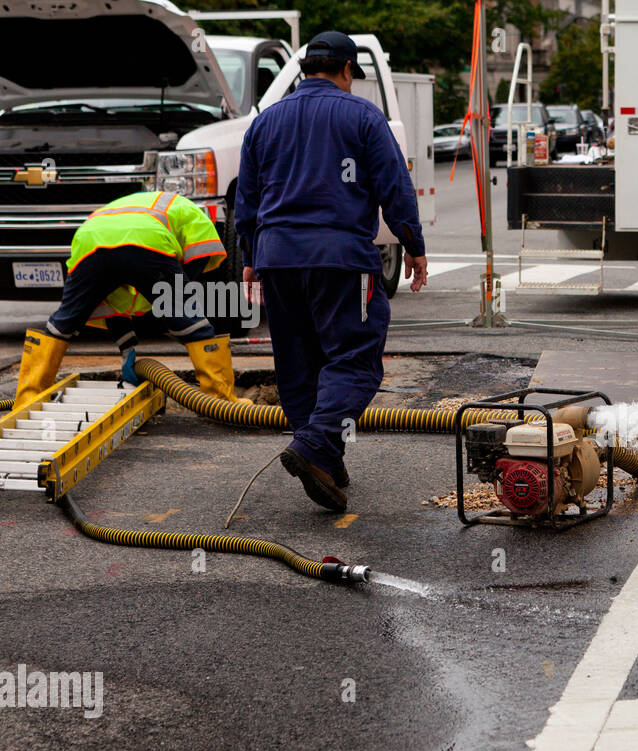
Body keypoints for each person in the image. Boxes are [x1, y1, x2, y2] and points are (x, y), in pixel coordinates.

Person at [235, 30, 428, 512]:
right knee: (356, 357)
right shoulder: (362, 115)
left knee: (299, 362)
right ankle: (315, 444)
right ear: (346, 70)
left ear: (303, 69)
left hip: (277, 257)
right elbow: (394, 186)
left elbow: (247, 198)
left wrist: (248, 257)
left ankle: (326, 458)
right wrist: (413, 244)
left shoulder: (264, 122)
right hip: (340, 259)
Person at [13, 191, 245, 411]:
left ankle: (27, 399)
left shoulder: (123, 207)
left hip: (88, 240)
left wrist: (128, 350)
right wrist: (177, 312)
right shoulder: (195, 215)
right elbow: (199, 260)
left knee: (63, 322)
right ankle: (221, 400)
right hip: (146, 239)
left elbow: (114, 306)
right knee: (191, 320)